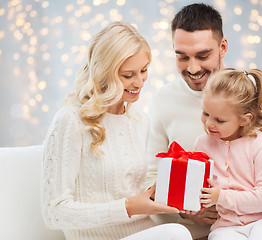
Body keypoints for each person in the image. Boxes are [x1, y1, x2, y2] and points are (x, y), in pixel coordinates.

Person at [146, 3, 262, 239]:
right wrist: (185, 213)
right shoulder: (162, 101)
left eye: (203, 55)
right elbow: (152, 177)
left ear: (223, 47)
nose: (193, 67)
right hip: (203, 231)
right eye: (182, 57)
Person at [40, 21, 192, 240]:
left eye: (144, 70)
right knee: (176, 234)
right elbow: (54, 213)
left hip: (144, 231)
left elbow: (133, 190)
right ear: (104, 73)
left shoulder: (140, 121)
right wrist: (128, 208)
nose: (139, 82)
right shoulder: (71, 120)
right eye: (128, 75)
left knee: (180, 231)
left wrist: (169, 194)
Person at [194, 68, 262, 239]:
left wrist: (221, 197)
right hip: (225, 227)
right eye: (205, 114)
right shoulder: (202, 144)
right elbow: (197, 190)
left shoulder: (261, 144)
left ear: (245, 119)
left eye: (219, 120)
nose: (209, 123)